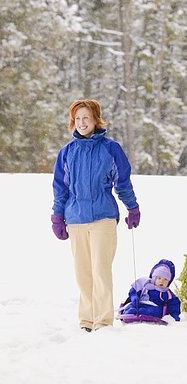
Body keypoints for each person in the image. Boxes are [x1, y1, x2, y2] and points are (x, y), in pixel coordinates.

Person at [51, 99, 141, 332]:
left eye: (86, 118)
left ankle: (102, 322)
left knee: (101, 270)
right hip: (76, 218)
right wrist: (57, 217)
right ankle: (86, 321)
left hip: (103, 217)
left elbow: (123, 182)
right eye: (78, 118)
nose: (82, 123)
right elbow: (60, 188)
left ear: (95, 120)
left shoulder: (111, 149)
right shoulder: (66, 152)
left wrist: (132, 208)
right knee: (83, 273)